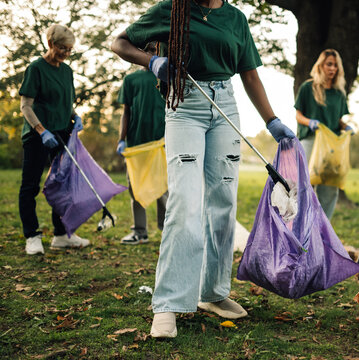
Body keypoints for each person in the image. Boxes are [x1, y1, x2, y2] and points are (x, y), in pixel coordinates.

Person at [111, 0, 295, 338]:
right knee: (184, 202)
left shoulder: (235, 19)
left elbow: (250, 74)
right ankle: (167, 304)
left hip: (225, 102)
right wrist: (151, 60)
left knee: (223, 202)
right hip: (185, 104)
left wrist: (272, 121)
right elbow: (119, 43)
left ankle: (212, 293)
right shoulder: (172, 9)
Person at [18, 24, 90, 255]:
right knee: (30, 186)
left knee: (63, 186)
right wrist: (41, 130)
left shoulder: (67, 71)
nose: (66, 53)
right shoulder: (36, 68)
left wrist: (76, 116)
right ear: (50, 44)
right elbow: (25, 106)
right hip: (38, 135)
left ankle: (60, 235)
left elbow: (67, 104)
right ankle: (32, 236)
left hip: (62, 134)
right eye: (62, 48)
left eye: (70, 50)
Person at [116, 41, 168, 245]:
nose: (149, 54)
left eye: (153, 50)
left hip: (161, 143)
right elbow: (126, 112)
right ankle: (139, 231)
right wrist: (121, 139)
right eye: (145, 50)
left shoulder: (165, 76)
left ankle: (167, 231)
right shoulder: (131, 80)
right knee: (136, 187)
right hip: (136, 143)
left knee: (163, 188)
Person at [295, 49, 353, 220]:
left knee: (330, 189)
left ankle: (322, 231)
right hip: (311, 142)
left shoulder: (339, 93)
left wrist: (346, 127)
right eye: (329, 64)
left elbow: (338, 120)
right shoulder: (308, 87)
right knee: (304, 186)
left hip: (331, 146)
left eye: (335, 65)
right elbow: (298, 115)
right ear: (320, 65)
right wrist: (310, 122)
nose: (332, 68)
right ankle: (302, 227)